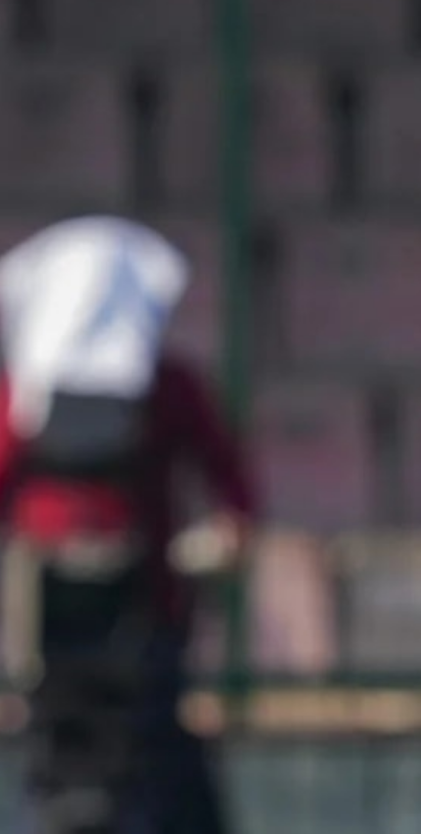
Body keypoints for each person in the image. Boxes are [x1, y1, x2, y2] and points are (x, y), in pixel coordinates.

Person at [0, 216, 257, 834]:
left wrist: (227, 530)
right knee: (65, 762)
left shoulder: (170, 388)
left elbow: (229, 476)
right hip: (52, 621)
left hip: (144, 614)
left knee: (154, 753)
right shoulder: (19, 403)